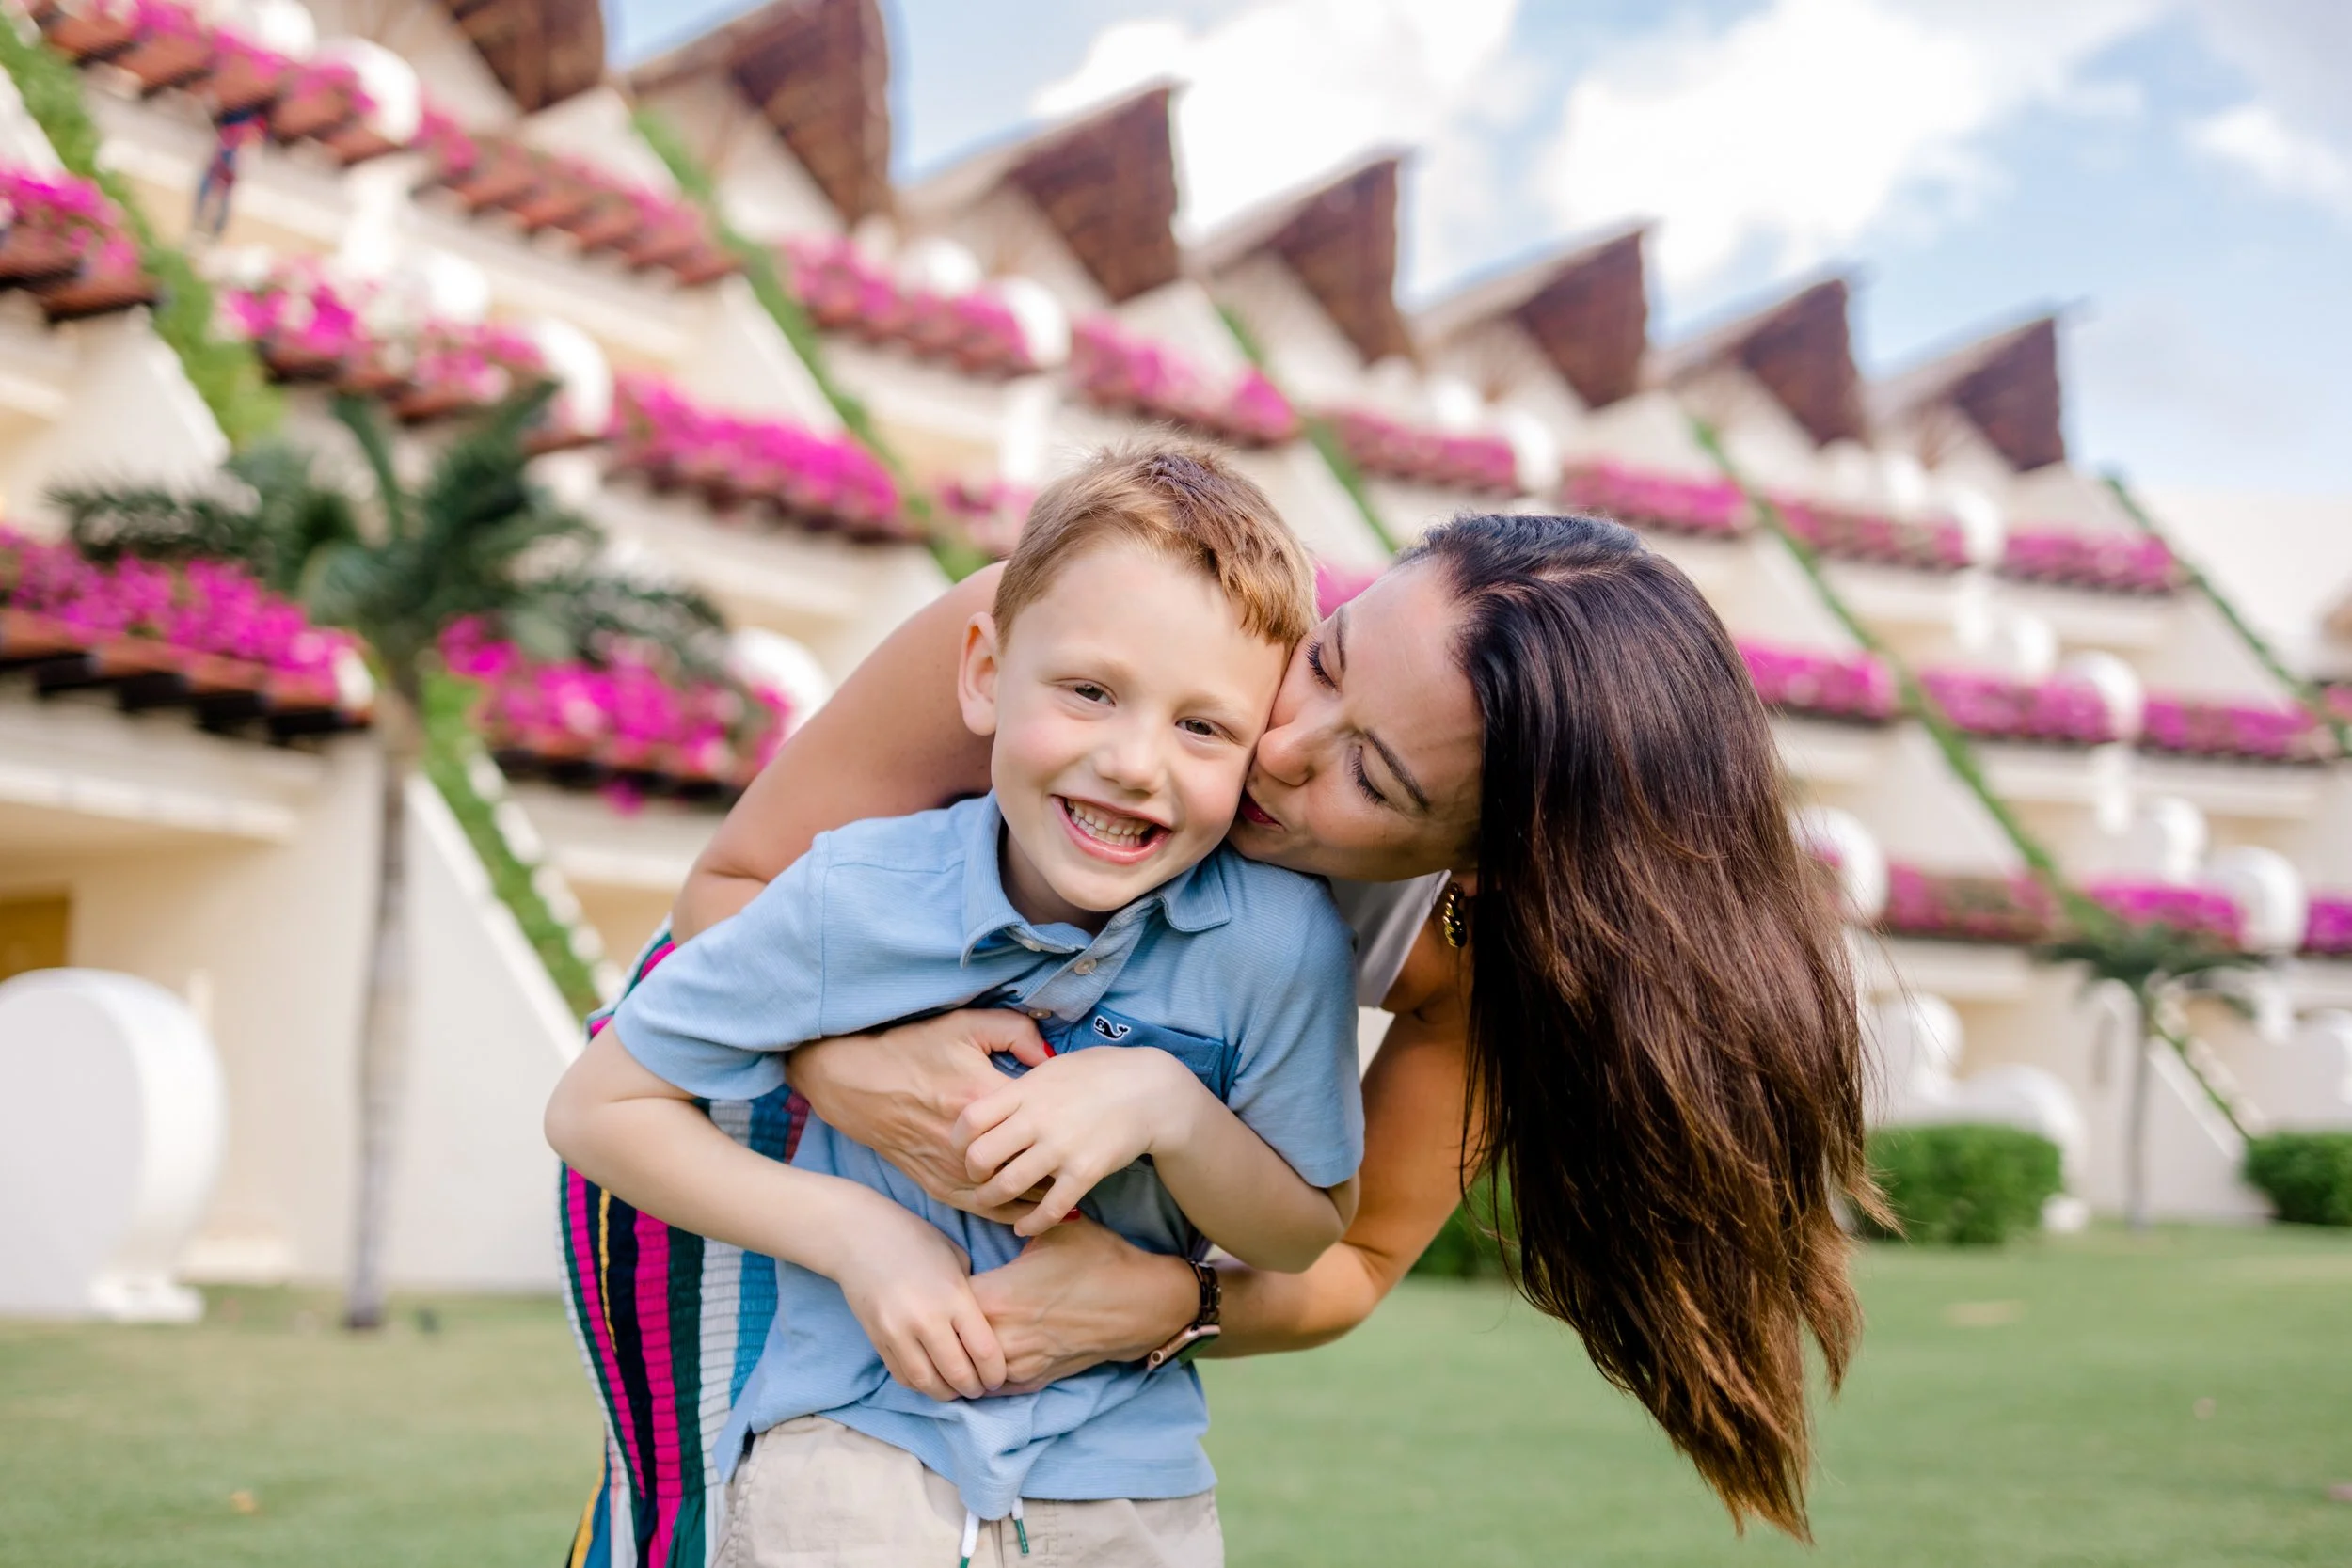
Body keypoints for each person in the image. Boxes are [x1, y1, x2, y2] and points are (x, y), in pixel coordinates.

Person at [557, 492, 1881, 1568]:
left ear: (1476, 866)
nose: (1277, 737)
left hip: (1065, 1258)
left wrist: (1168, 1301)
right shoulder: (1111, 628)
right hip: (739, 1128)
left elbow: (1348, 1252)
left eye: (1371, 773)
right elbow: (733, 891)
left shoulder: (1477, 953)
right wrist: (848, 1064)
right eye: (1333, 653)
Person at [548, 444, 1364, 1566]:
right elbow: (597, 1107)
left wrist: (1171, 1108)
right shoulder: (854, 891)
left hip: (1127, 1473)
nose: (1134, 762)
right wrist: (858, 1235)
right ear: (983, 672)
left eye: (1202, 726)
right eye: (1089, 691)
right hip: (846, 1441)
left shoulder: (1276, 946)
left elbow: (1302, 1226)